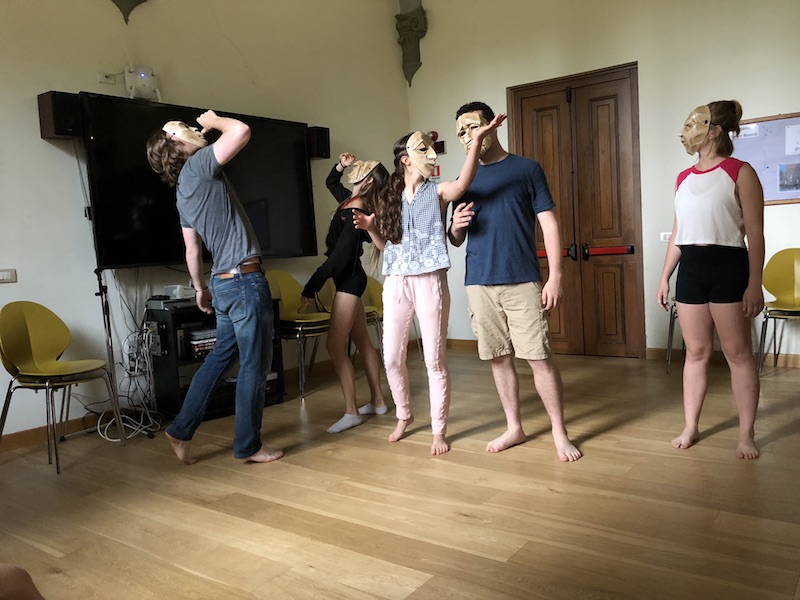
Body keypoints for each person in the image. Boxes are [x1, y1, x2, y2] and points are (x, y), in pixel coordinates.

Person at [354, 113, 506, 455]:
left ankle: (439, 429)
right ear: (406, 160)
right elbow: (385, 247)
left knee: (434, 360)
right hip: (395, 282)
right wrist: (370, 227)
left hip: (430, 281)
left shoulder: (438, 193)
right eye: (423, 149)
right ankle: (403, 415)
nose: (432, 155)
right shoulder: (387, 199)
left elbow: (463, 184)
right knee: (392, 356)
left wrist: (477, 141)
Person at [448, 101, 582, 463]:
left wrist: (555, 276)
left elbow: (549, 224)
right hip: (478, 281)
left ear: (492, 126)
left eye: (473, 127)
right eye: (461, 131)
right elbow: (456, 237)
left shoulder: (527, 169)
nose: (468, 136)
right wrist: (455, 229)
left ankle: (559, 431)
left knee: (538, 357)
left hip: (522, 279)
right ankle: (514, 427)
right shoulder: (464, 178)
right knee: (498, 358)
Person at [146, 111, 283, 465]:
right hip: (244, 282)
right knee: (254, 365)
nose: (195, 131)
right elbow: (241, 131)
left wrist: (199, 289)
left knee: (219, 359)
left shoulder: (182, 192)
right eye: (187, 131)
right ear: (177, 144)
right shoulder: (199, 166)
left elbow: (191, 249)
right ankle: (249, 447)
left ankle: (180, 430)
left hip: (223, 285)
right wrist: (215, 118)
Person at [657, 101, 764, 460]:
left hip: (728, 266)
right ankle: (691, 425)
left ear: (715, 129)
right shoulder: (683, 178)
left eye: (694, 124)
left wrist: (754, 284)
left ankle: (746, 434)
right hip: (692, 268)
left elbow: (756, 234)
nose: (686, 130)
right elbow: (678, 232)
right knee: (697, 352)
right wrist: (664, 277)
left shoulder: (741, 172)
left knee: (737, 354)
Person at [301, 156, 390, 432]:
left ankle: (351, 412)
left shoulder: (354, 211)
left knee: (334, 346)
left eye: (360, 169)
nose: (355, 167)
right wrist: (340, 164)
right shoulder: (350, 202)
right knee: (362, 340)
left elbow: (338, 258)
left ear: (366, 182)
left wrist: (311, 285)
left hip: (349, 282)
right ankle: (378, 402)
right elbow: (331, 182)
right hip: (350, 280)